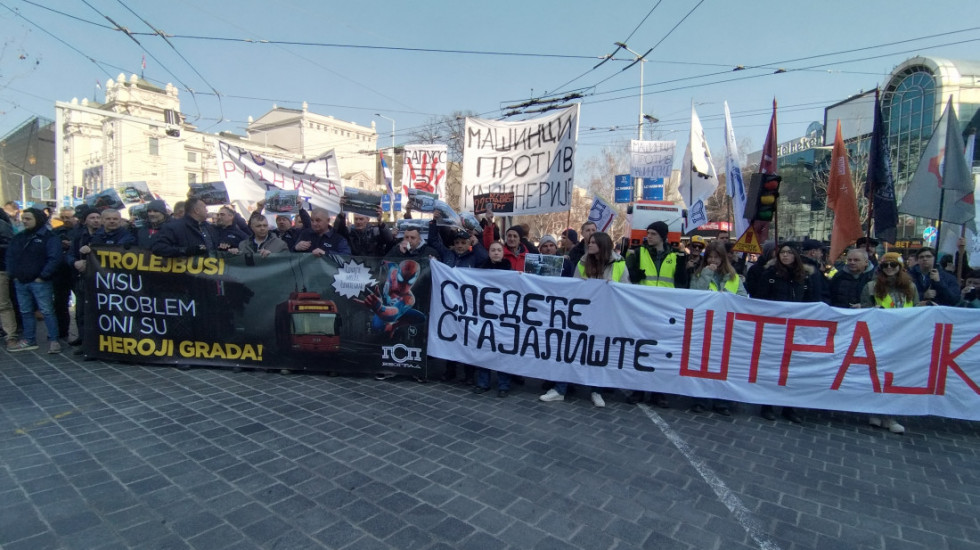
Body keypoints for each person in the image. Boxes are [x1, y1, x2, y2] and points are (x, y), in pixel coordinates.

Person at [541, 232, 628, 407]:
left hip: (605, 315)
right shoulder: (582, 261)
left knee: (597, 354)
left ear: (603, 245)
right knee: (570, 351)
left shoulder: (619, 263)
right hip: (582, 314)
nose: (589, 245)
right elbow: (574, 287)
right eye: (590, 242)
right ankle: (560, 389)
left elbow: (626, 290)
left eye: (594, 242)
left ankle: (596, 391)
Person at [623, 221, 688, 407]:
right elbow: (629, 278)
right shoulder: (638, 252)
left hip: (666, 309)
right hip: (644, 308)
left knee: (662, 351)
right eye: (648, 233)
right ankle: (638, 389)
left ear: (662, 236)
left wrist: (683, 264)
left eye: (652, 233)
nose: (648, 236)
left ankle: (659, 392)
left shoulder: (675, 255)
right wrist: (637, 273)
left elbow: (682, 283)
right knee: (641, 348)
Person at [753, 243, 819, 424]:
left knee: (793, 371)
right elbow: (761, 300)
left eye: (790, 252)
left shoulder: (805, 277)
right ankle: (767, 405)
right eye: (782, 252)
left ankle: (789, 407)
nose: (786, 255)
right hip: (775, 329)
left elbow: (811, 301)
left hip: (796, 330)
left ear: (796, 255)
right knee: (772, 368)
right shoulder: (770, 274)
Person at [859, 251, 918, 435]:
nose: (890, 268)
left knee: (896, 378)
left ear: (900, 267)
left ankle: (890, 416)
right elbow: (863, 312)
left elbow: (916, 312)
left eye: (893, 265)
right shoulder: (871, 287)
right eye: (886, 265)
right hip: (878, 337)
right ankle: (874, 411)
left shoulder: (911, 288)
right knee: (876, 376)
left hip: (902, 338)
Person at [687, 240, 746, 415]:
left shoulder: (733, 277)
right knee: (702, 363)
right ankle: (700, 399)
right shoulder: (700, 273)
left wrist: (726, 298)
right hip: (705, 325)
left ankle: (722, 400)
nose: (713, 260)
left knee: (723, 366)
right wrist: (706, 275)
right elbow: (694, 295)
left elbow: (743, 298)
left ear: (723, 258)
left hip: (726, 326)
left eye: (716, 257)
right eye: (710, 257)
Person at [6, 208, 63, 353]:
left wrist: (42, 276)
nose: (24, 221)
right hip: (21, 280)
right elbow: (11, 256)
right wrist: (14, 274)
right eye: (23, 218)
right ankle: (30, 339)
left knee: (47, 311)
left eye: (28, 219)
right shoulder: (19, 237)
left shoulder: (49, 237)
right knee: (25, 311)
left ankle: (54, 340)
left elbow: (54, 258)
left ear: (37, 219)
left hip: (40, 281)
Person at [472, 242, 514, 397]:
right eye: (493, 250)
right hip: (486, 314)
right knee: (485, 347)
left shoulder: (509, 269)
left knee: (503, 349)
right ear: (488, 252)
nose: (496, 253)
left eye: (499, 250)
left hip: (503, 315)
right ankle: (483, 383)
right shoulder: (482, 269)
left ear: (503, 253)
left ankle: (504, 384)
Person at [151, 197, 219, 257]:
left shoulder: (210, 227)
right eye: (204, 207)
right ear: (197, 210)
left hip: (211, 269)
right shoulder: (173, 227)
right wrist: (186, 250)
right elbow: (158, 248)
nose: (207, 210)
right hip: (185, 269)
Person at [0, 209, 18, 347]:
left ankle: (10, 335)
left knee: (3, 304)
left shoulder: (2, 225)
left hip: (1, 269)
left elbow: (10, 246)